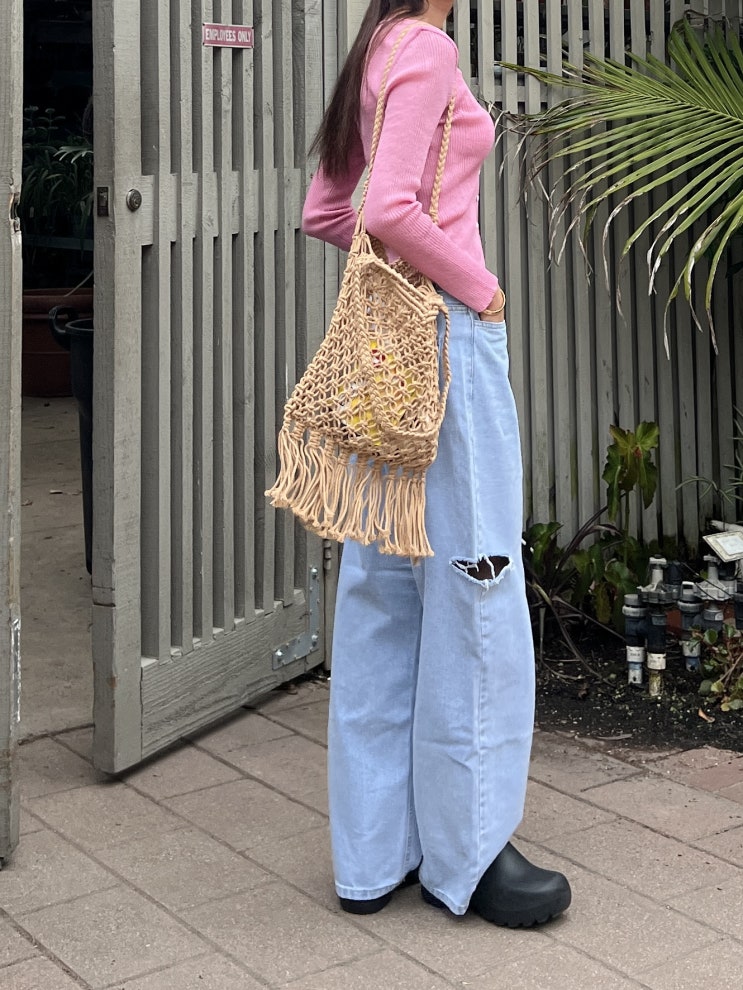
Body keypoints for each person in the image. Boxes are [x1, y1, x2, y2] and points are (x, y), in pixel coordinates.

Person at [301, 0, 571, 927]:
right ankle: (471, 853)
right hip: (447, 343)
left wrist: (403, 267)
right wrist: (477, 287)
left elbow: (326, 210)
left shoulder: (374, 48)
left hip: (387, 348)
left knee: (383, 594)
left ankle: (371, 857)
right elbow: (385, 208)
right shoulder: (426, 46)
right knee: (474, 587)